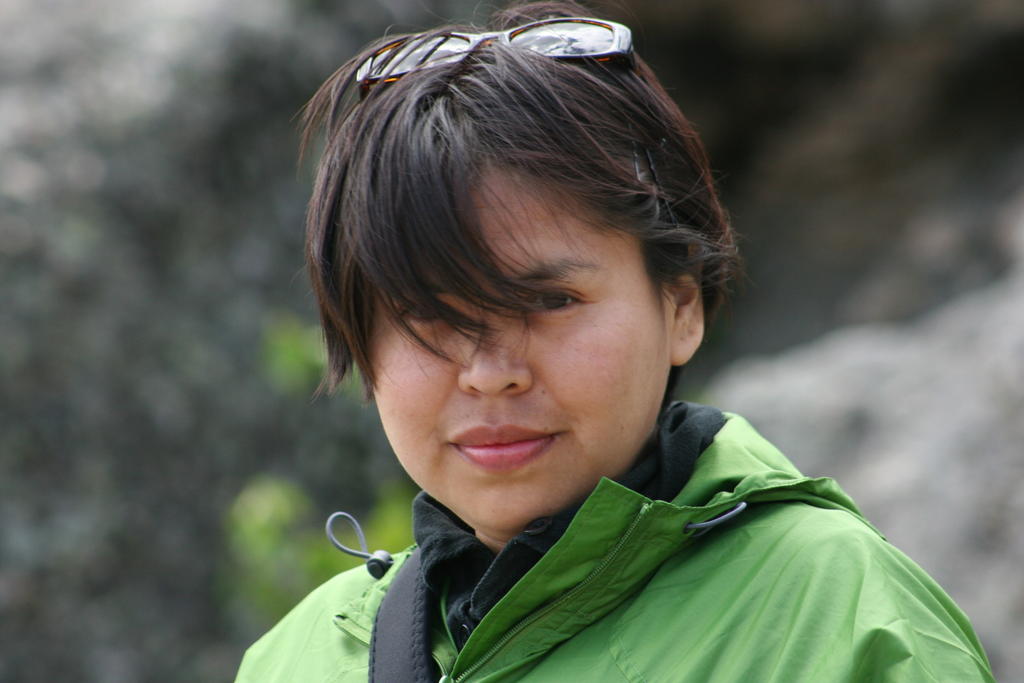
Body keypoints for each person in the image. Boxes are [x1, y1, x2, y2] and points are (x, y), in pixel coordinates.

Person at [235, 2, 995, 680]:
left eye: (550, 301)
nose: (489, 373)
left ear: (681, 304)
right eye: (426, 315)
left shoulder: (842, 621)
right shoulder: (300, 657)